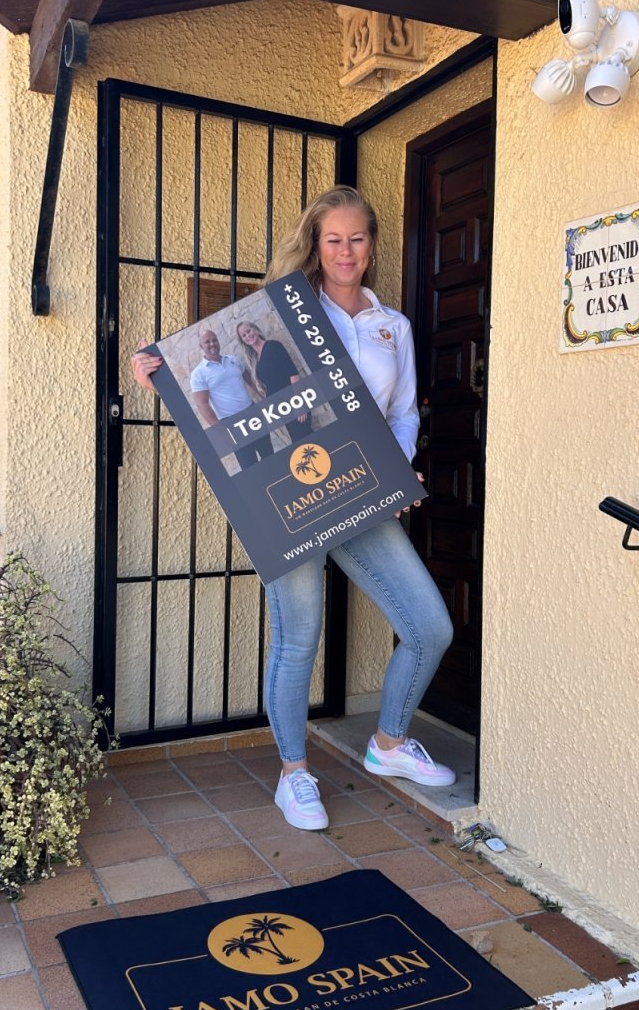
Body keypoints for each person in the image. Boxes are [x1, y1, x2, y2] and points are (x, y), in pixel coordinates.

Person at [132, 186, 456, 831]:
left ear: (371, 245)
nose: (345, 251)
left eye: (356, 239)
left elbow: (401, 413)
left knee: (429, 627)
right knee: (298, 637)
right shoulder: (289, 309)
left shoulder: (392, 325)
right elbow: (231, 385)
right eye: (333, 239)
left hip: (361, 490)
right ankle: (293, 774)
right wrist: (158, 372)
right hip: (289, 488)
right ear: (316, 244)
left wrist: (394, 475)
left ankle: (389, 743)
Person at [187, 327, 269, 468]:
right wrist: (221, 431)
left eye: (214, 340)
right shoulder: (198, 374)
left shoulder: (233, 360)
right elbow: (202, 404)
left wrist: (264, 397)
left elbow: (250, 380)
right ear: (201, 346)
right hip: (231, 423)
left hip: (252, 412)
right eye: (207, 342)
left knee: (269, 453)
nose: (212, 344)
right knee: (249, 465)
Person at [234, 318, 313, 446]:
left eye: (248, 331)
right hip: (283, 408)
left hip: (294, 403)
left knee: (307, 441)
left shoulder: (273, 346)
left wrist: (299, 404)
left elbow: (293, 375)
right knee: (301, 443)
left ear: (255, 329)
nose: (248, 336)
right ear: (243, 341)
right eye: (244, 335)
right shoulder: (255, 360)